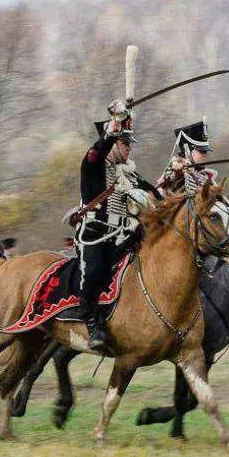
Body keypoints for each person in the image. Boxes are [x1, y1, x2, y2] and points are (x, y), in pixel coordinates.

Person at [74, 101, 161, 351]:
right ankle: (91, 322)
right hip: (95, 234)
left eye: (129, 144)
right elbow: (96, 151)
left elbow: (156, 193)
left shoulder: (129, 173)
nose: (129, 149)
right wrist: (114, 125)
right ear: (112, 143)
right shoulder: (92, 164)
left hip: (123, 234)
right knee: (95, 271)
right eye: (125, 144)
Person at [158, 120, 217, 197]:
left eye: (205, 152)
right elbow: (165, 185)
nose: (204, 155)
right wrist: (177, 172)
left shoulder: (205, 175)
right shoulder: (175, 167)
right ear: (188, 151)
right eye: (201, 152)